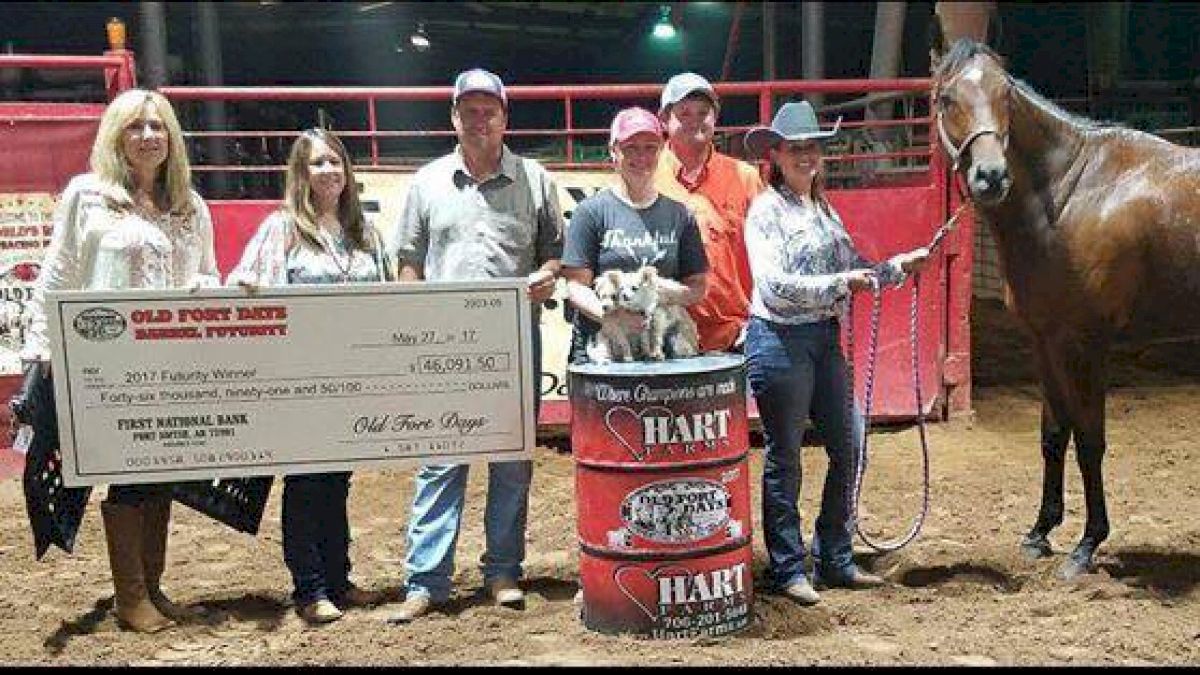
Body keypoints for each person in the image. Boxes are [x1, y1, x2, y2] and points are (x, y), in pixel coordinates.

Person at [23, 88, 220, 632]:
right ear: (116, 136)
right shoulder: (86, 196)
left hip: (177, 365)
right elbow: (58, 275)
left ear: (173, 138)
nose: (149, 136)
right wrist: (40, 351)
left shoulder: (191, 205)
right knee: (128, 475)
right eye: (135, 127)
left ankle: (149, 589)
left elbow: (205, 278)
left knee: (162, 473)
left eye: (158, 127)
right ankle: (130, 596)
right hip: (107, 366)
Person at [385, 68, 563, 624]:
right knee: (441, 457)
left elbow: (555, 254)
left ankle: (504, 571)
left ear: (505, 118)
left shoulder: (534, 180)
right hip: (444, 345)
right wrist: (417, 318)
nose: (480, 119)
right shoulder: (428, 182)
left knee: (512, 458)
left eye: (490, 110)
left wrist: (547, 276)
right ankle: (426, 579)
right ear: (454, 117)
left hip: (513, 338)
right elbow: (408, 261)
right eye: (470, 110)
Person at [741, 101, 929, 605]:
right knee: (786, 456)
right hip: (779, 339)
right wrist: (838, 284)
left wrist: (895, 268)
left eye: (812, 148)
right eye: (795, 149)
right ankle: (787, 567)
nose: (806, 156)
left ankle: (834, 557)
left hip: (822, 338)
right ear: (776, 155)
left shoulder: (822, 209)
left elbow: (855, 266)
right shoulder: (765, 211)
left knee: (850, 442)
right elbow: (773, 285)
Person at [227, 128, 388, 625]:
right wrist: (250, 290)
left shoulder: (365, 233)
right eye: (318, 163)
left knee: (337, 482)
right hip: (297, 377)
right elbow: (244, 284)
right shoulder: (281, 229)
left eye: (336, 162)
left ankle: (338, 579)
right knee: (305, 483)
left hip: (351, 375)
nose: (329, 172)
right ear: (301, 172)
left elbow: (386, 301)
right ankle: (310, 587)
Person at [561, 106, 709, 366]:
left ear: (661, 152)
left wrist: (664, 294)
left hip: (661, 350)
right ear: (613, 152)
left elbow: (698, 287)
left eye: (650, 147)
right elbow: (575, 286)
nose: (641, 156)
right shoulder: (591, 212)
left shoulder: (680, 214)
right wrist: (611, 316)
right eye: (630, 148)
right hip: (604, 348)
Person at [655, 72, 764, 354]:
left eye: (704, 112)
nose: (696, 120)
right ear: (664, 120)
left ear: (715, 118)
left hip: (736, 335)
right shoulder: (646, 180)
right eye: (684, 113)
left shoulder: (745, 178)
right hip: (664, 336)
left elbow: (768, 255)